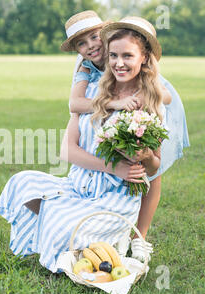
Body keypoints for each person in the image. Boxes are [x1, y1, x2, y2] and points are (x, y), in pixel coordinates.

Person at [0, 17, 164, 274]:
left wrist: (147, 155)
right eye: (115, 56)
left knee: (60, 223)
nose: (118, 63)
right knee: (21, 183)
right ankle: (72, 229)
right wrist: (112, 166)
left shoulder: (149, 101)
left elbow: (154, 166)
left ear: (143, 58)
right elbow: (68, 151)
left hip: (113, 196)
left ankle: (90, 233)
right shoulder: (93, 93)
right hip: (79, 184)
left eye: (127, 56)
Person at [61, 13, 190, 262]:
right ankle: (117, 224)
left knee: (152, 168)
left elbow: (165, 97)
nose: (91, 46)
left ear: (105, 35)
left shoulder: (126, 56)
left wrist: (143, 100)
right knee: (117, 155)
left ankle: (139, 236)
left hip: (143, 101)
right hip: (108, 101)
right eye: (82, 43)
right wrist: (116, 103)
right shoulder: (86, 65)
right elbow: (75, 103)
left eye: (95, 37)